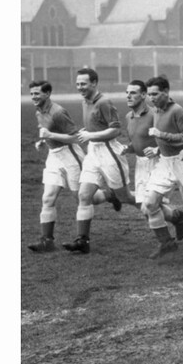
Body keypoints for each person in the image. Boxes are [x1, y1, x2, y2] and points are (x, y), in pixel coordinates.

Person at [62, 68, 131, 254]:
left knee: (127, 197)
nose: (79, 87)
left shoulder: (104, 102)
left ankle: (171, 217)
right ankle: (82, 240)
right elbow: (95, 124)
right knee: (84, 196)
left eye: (83, 83)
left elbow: (116, 130)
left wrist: (91, 134)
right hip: (93, 152)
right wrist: (85, 132)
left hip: (109, 151)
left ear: (94, 83)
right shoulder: (85, 101)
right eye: (77, 84)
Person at [140, 75, 183, 259]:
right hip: (165, 163)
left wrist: (161, 134)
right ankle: (166, 242)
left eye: (155, 94)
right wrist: (157, 149)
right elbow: (164, 139)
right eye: (149, 95)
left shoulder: (177, 110)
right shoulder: (156, 110)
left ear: (166, 92)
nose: (151, 98)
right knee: (149, 204)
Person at [26, 80, 85, 253]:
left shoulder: (58, 112)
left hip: (70, 154)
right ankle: (47, 241)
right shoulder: (39, 111)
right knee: (47, 198)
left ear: (47, 93)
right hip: (54, 156)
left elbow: (76, 137)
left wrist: (50, 135)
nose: (33, 97)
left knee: (82, 198)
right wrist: (43, 141)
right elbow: (46, 131)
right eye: (31, 94)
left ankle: (109, 195)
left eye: (37, 93)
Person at [121, 80, 159, 209]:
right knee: (143, 205)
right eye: (127, 93)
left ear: (143, 95)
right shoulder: (128, 117)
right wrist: (128, 148)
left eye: (133, 93)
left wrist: (157, 149)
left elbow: (169, 139)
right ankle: (175, 218)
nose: (128, 96)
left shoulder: (155, 114)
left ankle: (174, 218)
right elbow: (137, 140)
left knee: (149, 206)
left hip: (157, 164)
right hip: (140, 164)